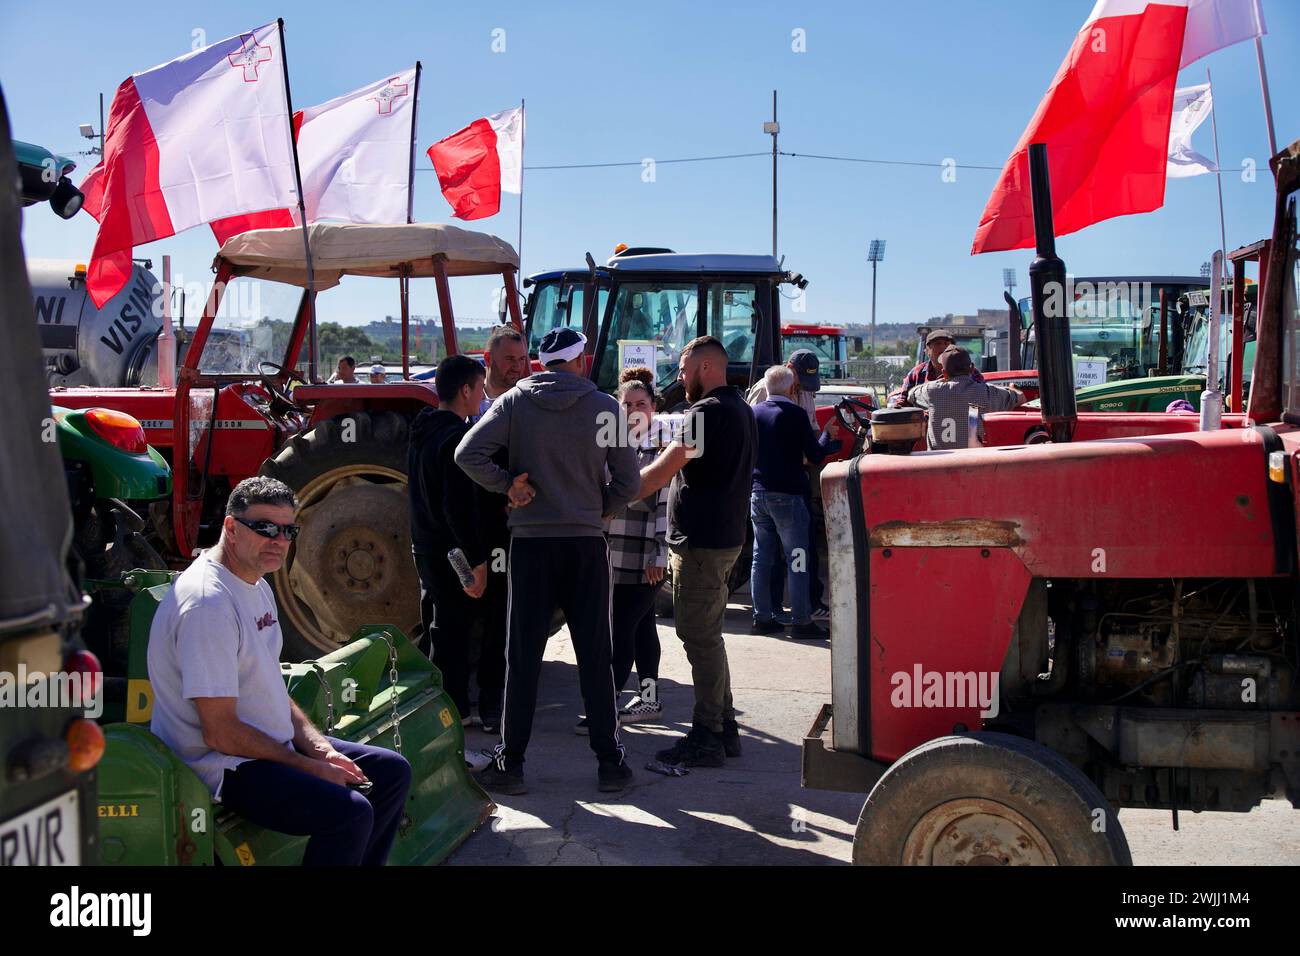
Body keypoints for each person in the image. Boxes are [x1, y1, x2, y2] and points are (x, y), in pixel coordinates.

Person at [146, 476, 412, 866]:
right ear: (231, 528)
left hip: (262, 749)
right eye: (266, 528)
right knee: (349, 812)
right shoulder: (209, 605)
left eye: (289, 530)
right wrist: (309, 767)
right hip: (222, 765)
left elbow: (269, 686)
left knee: (390, 773)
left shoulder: (256, 582)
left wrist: (320, 749)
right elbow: (219, 731)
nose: (279, 540)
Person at [455, 327, 640, 795]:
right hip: (585, 545)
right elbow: (629, 482)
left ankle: (511, 764)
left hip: (532, 545)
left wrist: (508, 486)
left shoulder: (516, 402)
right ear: (580, 361)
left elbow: (467, 453)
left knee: (523, 656)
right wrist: (598, 510)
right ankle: (610, 764)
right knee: (596, 655)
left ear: (541, 361)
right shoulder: (604, 407)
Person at [638, 335, 757, 768]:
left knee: (699, 638)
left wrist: (611, 497)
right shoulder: (741, 409)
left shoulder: (706, 413)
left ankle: (707, 735)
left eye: (686, 370)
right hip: (723, 541)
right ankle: (723, 727)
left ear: (706, 367)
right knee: (708, 637)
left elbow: (660, 471)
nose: (682, 378)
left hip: (702, 546)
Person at [407, 354, 490, 725]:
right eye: (481, 387)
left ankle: (427, 700)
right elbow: (455, 507)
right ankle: (452, 712)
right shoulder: (456, 437)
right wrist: (474, 562)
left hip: (423, 546)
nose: (483, 396)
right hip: (450, 550)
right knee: (453, 633)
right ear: (465, 390)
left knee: (436, 626)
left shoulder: (422, 429)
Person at [594, 367, 668, 729]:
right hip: (611, 553)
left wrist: (660, 552)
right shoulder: (609, 443)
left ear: (653, 406)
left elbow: (667, 504)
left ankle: (605, 706)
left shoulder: (662, 446)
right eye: (627, 404)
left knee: (622, 629)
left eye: (641, 403)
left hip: (643, 557)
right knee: (643, 628)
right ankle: (649, 700)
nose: (634, 410)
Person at [471, 324, 532, 735]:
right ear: (490, 360)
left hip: (511, 525)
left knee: (501, 617)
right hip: (474, 521)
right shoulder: (474, 405)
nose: (518, 367)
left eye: (522, 359)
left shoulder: (525, 403)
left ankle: (494, 701)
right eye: (510, 359)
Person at [750, 365, 841, 638]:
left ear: (766, 387)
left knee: (761, 559)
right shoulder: (796, 414)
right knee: (797, 558)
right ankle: (802, 620)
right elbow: (815, 455)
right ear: (791, 388)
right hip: (788, 495)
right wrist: (827, 435)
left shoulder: (752, 413)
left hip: (757, 495)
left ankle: (762, 617)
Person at [907, 346, 1026, 449]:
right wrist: (1014, 389)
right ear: (972, 368)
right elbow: (1021, 398)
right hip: (971, 465)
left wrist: (939, 382)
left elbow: (911, 395)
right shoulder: (986, 392)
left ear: (944, 373)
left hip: (938, 464)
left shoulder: (931, 391)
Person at [888, 329, 985, 408]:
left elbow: (983, 397)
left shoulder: (971, 372)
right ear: (927, 351)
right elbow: (903, 401)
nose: (943, 347)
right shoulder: (916, 374)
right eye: (938, 343)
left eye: (947, 344)